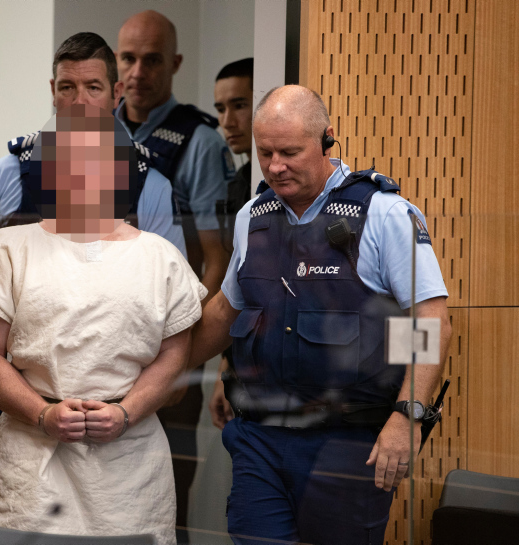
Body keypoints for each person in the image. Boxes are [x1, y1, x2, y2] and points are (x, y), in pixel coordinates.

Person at [188, 85, 452, 544]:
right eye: (265, 152)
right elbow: (225, 312)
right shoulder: (253, 216)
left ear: (327, 139)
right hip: (260, 439)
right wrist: (156, 371)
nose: (275, 166)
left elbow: (428, 320)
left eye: (290, 152)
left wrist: (406, 416)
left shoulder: (384, 214)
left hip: (347, 443)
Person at [0, 104, 206, 545]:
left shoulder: (159, 257)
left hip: (131, 464)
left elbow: (174, 356)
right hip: (31, 459)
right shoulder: (7, 250)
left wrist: (126, 413)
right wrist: (43, 414)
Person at [0, 32, 186, 442]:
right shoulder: (7, 172)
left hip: (120, 407)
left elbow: (171, 315)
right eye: (67, 88)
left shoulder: (151, 185)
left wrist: (130, 409)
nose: (79, 102)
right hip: (14, 393)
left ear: (116, 93)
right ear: (52, 91)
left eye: (93, 88)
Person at [115, 13, 233, 537]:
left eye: (153, 59)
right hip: (103, 341)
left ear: (176, 63)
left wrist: (182, 356)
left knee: (164, 490)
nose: (138, 72)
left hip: (168, 341)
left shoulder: (200, 141)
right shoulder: (93, 131)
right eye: (128, 58)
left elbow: (216, 259)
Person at [211, 57, 254, 430]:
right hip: (241, 360)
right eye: (221, 108)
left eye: (239, 105)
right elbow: (234, 291)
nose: (227, 121)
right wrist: (225, 366)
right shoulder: (239, 185)